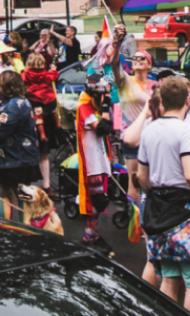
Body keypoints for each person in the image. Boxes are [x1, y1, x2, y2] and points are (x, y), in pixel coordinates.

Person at [138, 77, 190, 316]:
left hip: (158, 210)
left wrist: (156, 197)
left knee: (169, 279)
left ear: (162, 101)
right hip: (186, 212)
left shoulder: (149, 130)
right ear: (188, 100)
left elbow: (142, 176)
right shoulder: (188, 131)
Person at [0, 71, 42, 219]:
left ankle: (9, 229)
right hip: (21, 158)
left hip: (12, 160)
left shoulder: (13, 106)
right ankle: (25, 230)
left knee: (5, 193)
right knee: (22, 196)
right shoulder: (21, 101)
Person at [112, 47, 157, 201]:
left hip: (152, 137)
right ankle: (135, 222)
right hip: (132, 137)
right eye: (134, 58)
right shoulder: (125, 81)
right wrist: (116, 44)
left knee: (152, 182)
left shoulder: (155, 85)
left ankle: (148, 219)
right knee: (135, 183)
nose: (137, 60)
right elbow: (114, 64)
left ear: (149, 65)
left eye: (142, 58)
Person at [77, 74, 114, 255]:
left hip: (98, 161)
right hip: (92, 164)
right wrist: (106, 106)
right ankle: (87, 237)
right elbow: (102, 128)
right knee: (97, 202)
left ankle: (91, 234)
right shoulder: (85, 107)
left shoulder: (91, 107)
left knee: (98, 203)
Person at [22, 53, 61, 201]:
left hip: (28, 119)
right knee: (44, 155)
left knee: (28, 153)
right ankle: (47, 186)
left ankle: (26, 186)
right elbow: (53, 100)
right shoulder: (47, 76)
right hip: (47, 118)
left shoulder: (24, 77)